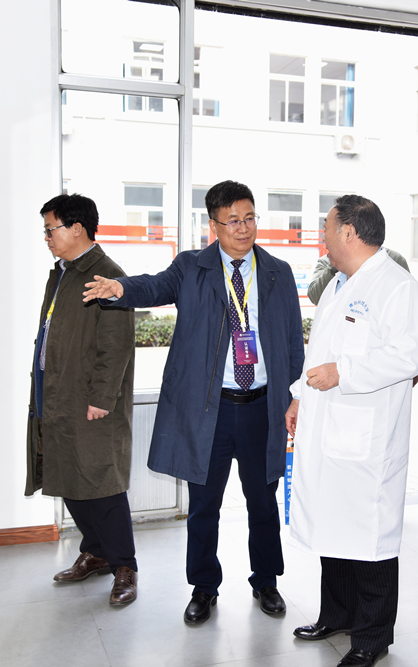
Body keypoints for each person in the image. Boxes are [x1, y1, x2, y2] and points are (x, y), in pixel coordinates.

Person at [82, 180, 305, 624]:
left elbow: (292, 341)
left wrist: (294, 395)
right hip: (211, 412)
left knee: (263, 505)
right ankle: (204, 587)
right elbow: (154, 287)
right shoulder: (191, 268)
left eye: (250, 218)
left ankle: (266, 581)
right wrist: (120, 289)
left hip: (261, 409)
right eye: (233, 221)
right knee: (204, 507)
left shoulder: (277, 272)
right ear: (213, 225)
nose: (243, 228)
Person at [286, 195, 418, 667]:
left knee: (369, 537)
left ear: (348, 232)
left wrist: (344, 373)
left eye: (327, 229)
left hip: (367, 439)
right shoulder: (337, 283)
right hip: (327, 427)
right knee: (332, 527)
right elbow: (318, 351)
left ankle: (372, 636)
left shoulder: (397, 287)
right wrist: (298, 396)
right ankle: (337, 615)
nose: (323, 238)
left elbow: (408, 357)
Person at [24, 193, 138, 606]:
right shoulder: (62, 273)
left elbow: (116, 345)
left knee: (102, 484)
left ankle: (124, 566)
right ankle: (96, 552)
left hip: (91, 401)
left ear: (77, 228)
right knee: (69, 476)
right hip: (57, 393)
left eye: (50, 229)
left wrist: (102, 398)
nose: (47, 237)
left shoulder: (106, 275)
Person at [307, 247, 410, 305]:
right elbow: (315, 297)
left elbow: (407, 301)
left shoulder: (394, 259)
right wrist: (335, 263)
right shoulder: (327, 262)